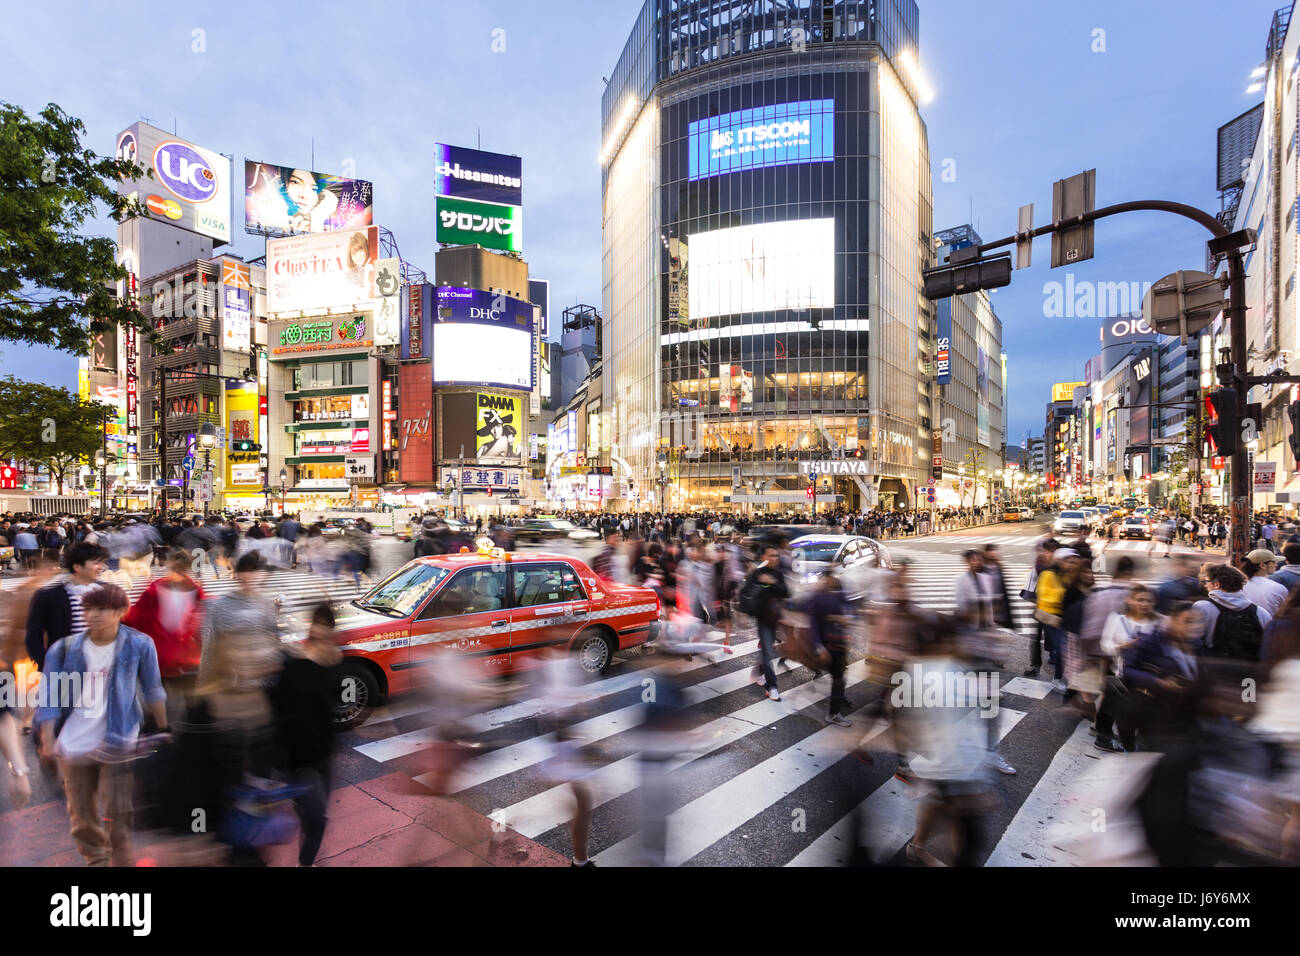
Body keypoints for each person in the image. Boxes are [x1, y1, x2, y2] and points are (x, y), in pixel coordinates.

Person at [34, 583, 167, 866]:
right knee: (81, 816)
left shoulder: (140, 644)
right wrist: (46, 738)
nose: (92, 615)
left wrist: (164, 727)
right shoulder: (63, 649)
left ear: (121, 611)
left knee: (119, 812)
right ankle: (97, 859)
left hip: (120, 737)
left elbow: (153, 689)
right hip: (75, 740)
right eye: (88, 609)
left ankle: (120, 861)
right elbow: (49, 697)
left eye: (101, 609)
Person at [270, 602, 342, 867]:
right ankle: (306, 864)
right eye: (318, 627)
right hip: (298, 759)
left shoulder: (334, 665)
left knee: (311, 814)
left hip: (323, 754)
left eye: (328, 629)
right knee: (317, 818)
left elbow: (331, 709)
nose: (323, 634)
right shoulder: (294, 665)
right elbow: (276, 707)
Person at [123, 548, 206, 722]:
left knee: (162, 695)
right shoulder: (190, 590)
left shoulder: (158, 589)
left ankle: (167, 726)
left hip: (166, 653)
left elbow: (137, 616)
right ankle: (176, 726)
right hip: (179, 655)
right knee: (180, 697)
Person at [198, 551, 283, 690]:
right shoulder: (221, 605)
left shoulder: (266, 604)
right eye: (245, 570)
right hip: (231, 685)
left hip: (262, 686)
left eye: (254, 570)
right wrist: (203, 685)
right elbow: (209, 648)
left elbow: (272, 641)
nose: (249, 575)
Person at [1096, 583, 1165, 752]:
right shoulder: (1118, 619)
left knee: (1141, 709)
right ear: (1130, 601)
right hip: (1121, 672)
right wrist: (1124, 646)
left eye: (1148, 600)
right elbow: (1105, 645)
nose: (1144, 604)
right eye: (1140, 600)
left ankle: (1138, 741)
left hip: (1149, 675)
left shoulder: (1160, 622)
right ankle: (1104, 738)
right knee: (1112, 706)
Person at [25, 542, 108, 672]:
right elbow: (34, 635)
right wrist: (46, 664)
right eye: (96, 563)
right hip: (66, 669)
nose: (101, 567)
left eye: (102, 563)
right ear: (77, 567)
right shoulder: (49, 596)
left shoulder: (107, 592)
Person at [739, 544, 789, 701]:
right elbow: (745, 594)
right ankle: (772, 686)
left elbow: (786, 592)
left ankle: (761, 673)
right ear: (764, 557)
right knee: (767, 651)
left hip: (779, 619)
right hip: (764, 619)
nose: (774, 559)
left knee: (773, 650)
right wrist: (743, 613)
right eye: (771, 556)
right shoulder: (757, 574)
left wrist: (772, 582)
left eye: (776, 556)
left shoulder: (778, 574)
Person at [1194, 564, 1271, 662]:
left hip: (1213, 669)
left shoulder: (1202, 607)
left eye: (1206, 581)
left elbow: (1192, 641)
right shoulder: (1261, 612)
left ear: (1217, 584)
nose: (1205, 585)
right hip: (1249, 670)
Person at [807, 574, 851, 725]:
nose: (831, 584)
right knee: (839, 678)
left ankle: (837, 705)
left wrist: (846, 619)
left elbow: (849, 610)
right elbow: (814, 625)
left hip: (839, 643)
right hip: (828, 646)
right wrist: (820, 647)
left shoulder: (839, 595)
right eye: (827, 581)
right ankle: (833, 713)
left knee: (839, 677)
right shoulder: (817, 599)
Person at [1242, 549, 1288, 618]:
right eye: (1273, 562)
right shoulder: (1277, 588)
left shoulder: (1239, 585)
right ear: (1262, 565)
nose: (1276, 565)